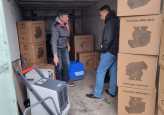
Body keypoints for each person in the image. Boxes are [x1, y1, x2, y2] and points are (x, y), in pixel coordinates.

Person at [86, 5, 119, 98]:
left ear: (105, 12)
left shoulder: (109, 23)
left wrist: (102, 49)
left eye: (101, 15)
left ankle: (97, 94)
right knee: (113, 71)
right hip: (115, 51)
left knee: (100, 71)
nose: (101, 18)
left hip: (108, 51)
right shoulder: (117, 21)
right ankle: (112, 91)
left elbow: (108, 39)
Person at [51, 11, 74, 86]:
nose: (68, 18)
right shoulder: (55, 26)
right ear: (61, 17)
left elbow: (66, 36)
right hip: (57, 48)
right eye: (66, 17)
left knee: (67, 64)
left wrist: (68, 44)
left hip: (64, 48)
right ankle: (59, 82)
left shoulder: (66, 24)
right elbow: (53, 41)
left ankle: (66, 81)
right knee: (59, 66)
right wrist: (55, 56)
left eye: (68, 17)